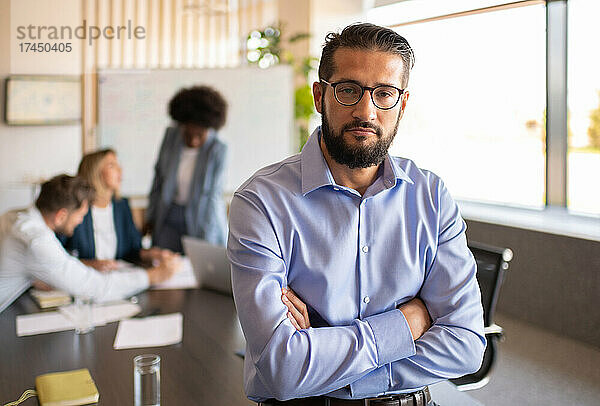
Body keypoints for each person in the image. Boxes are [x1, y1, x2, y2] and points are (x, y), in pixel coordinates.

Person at [227, 23, 485, 405]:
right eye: (348, 90)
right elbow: (282, 369)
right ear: (320, 96)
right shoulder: (262, 200)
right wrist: (407, 324)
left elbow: (465, 345)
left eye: (384, 93)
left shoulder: (431, 196)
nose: (366, 111)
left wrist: (324, 360)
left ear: (403, 103)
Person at [0, 174, 179, 314]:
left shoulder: (14, 216)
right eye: (80, 215)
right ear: (61, 215)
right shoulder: (37, 240)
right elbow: (96, 288)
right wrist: (153, 276)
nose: (80, 221)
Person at [144, 86, 229, 252]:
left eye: (200, 135)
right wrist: (151, 217)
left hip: (201, 215)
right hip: (169, 215)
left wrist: (208, 239)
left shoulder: (218, 150)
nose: (194, 141)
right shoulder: (171, 137)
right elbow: (159, 179)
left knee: (200, 266)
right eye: (188, 134)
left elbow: (212, 196)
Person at [61, 149, 175, 271]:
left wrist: (153, 254)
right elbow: (59, 255)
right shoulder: (77, 208)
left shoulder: (122, 206)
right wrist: (89, 264)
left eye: (118, 165)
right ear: (95, 172)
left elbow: (134, 249)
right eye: (112, 166)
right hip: (84, 279)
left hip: (118, 279)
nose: (120, 171)